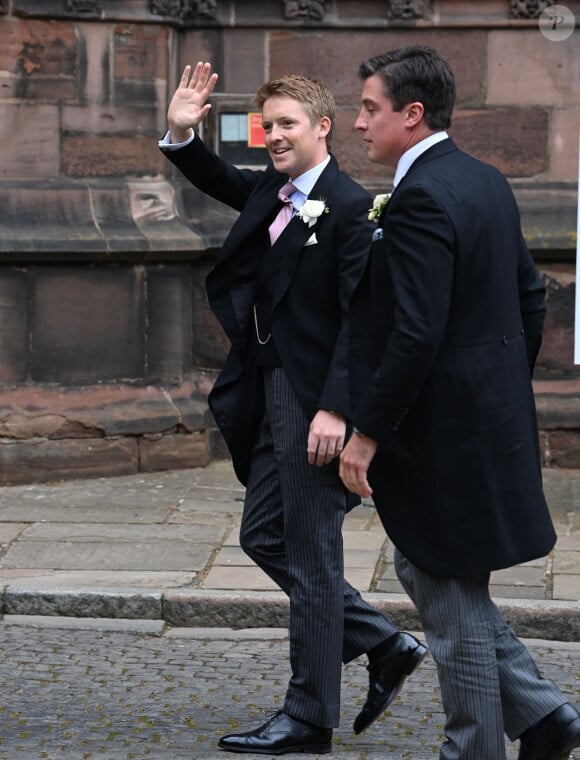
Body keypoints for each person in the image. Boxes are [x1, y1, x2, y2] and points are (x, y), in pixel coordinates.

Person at [159, 62, 427, 755]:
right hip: (269, 391)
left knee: (310, 559)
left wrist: (337, 410)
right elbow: (217, 178)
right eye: (267, 125)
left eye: (287, 125)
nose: (274, 136)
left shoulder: (348, 208)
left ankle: (307, 719)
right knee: (263, 535)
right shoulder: (272, 193)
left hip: (316, 406)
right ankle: (380, 640)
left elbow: (361, 324)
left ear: (323, 128)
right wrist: (183, 133)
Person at [339, 44, 580, 759]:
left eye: (369, 109)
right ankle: (542, 716)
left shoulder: (420, 196)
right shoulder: (485, 179)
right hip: (487, 419)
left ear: (412, 115)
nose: (357, 123)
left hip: (444, 434)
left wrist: (367, 434)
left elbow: (415, 334)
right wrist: (499, 381)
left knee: (447, 599)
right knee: (432, 573)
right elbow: (529, 295)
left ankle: (474, 750)